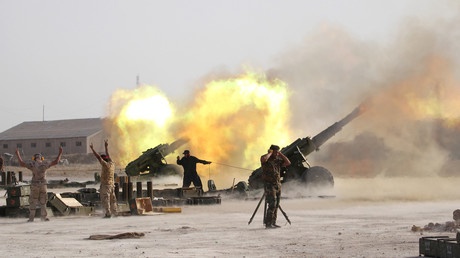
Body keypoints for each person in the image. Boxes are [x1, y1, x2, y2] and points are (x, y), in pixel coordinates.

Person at [16, 146, 63, 222]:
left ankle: (31, 218)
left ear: (34, 158)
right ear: (41, 158)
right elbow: (56, 162)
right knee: (43, 202)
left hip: (34, 185)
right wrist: (60, 153)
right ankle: (43, 218)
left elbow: (22, 164)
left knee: (33, 201)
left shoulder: (32, 164)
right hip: (43, 185)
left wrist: (17, 154)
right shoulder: (45, 164)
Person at [260, 144, 290, 228]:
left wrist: (280, 154)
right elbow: (264, 159)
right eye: (276, 152)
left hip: (277, 184)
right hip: (269, 185)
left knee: (276, 204)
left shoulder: (277, 160)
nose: (277, 154)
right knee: (272, 204)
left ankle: (273, 222)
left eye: (278, 152)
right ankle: (268, 223)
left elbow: (288, 162)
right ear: (271, 151)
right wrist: (270, 153)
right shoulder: (266, 158)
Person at [90, 140, 117, 218]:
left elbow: (98, 157)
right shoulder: (112, 164)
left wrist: (92, 149)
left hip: (106, 185)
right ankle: (114, 212)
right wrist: (106, 147)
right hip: (112, 185)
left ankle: (108, 213)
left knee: (106, 199)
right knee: (113, 199)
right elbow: (108, 155)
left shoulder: (105, 165)